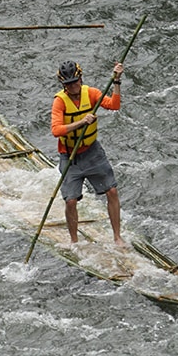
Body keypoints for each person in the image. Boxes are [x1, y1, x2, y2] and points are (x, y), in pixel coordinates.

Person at [49, 60, 126, 246]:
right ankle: (74, 242)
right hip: (71, 157)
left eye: (75, 82)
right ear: (63, 85)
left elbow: (114, 105)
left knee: (112, 190)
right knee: (71, 201)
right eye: (68, 84)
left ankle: (117, 237)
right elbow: (56, 130)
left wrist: (116, 81)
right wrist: (82, 122)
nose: (73, 87)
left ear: (81, 79)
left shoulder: (91, 93)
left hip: (92, 153)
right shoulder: (60, 101)